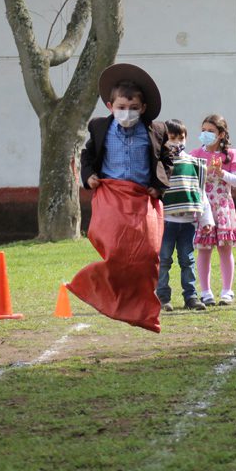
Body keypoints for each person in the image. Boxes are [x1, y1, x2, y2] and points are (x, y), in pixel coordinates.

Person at [70, 63, 171, 333]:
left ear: (143, 108)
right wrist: (89, 176)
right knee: (115, 249)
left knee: (147, 254)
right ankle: (96, 287)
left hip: (142, 198)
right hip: (111, 196)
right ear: (110, 105)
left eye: (134, 107)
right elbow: (87, 156)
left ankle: (141, 305)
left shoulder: (156, 130)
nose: (127, 112)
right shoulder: (98, 127)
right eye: (121, 107)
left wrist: (159, 186)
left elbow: (166, 159)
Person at [156, 120, 212, 312]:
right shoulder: (160, 164)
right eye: (172, 138)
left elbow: (200, 193)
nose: (177, 142)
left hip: (188, 223)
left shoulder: (193, 163)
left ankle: (191, 297)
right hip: (166, 222)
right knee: (164, 260)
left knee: (187, 260)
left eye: (181, 138)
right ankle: (162, 297)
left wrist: (206, 219)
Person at [189, 114, 236, 306]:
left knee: (225, 249)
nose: (206, 134)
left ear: (221, 134)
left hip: (223, 206)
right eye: (203, 130)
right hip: (204, 207)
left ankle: (227, 290)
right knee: (204, 250)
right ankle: (206, 292)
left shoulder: (231, 154)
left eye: (211, 131)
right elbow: (191, 180)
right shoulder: (195, 154)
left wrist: (222, 173)